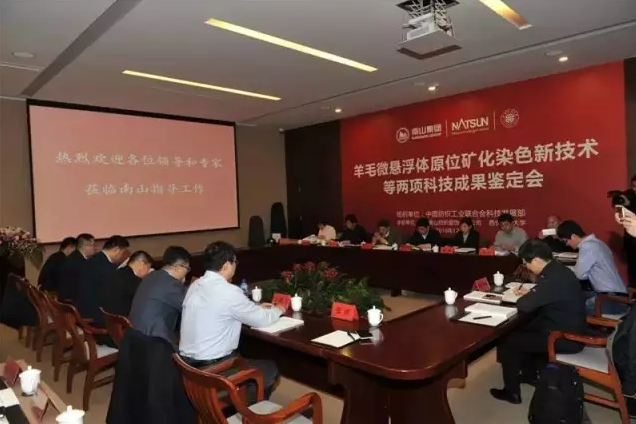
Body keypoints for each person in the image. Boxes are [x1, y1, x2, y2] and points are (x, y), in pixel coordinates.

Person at [179, 241, 284, 404]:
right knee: (269, 369)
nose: (236, 266)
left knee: (247, 360)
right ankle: (249, 411)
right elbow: (262, 319)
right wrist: (279, 309)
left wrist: (253, 307)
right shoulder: (228, 291)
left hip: (189, 365)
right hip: (214, 368)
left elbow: (219, 308)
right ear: (227, 265)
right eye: (235, 262)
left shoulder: (196, 285)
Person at [490, 239, 586, 404]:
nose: (527, 267)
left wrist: (526, 297)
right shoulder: (558, 269)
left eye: (526, 263)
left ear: (536, 260)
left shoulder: (552, 278)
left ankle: (511, 392)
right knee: (523, 329)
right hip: (566, 326)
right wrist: (532, 295)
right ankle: (530, 375)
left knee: (508, 340)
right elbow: (543, 295)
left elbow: (525, 305)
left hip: (565, 337)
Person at [557, 220, 628, 315]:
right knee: (580, 296)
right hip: (620, 297)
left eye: (566, 241)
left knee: (570, 308)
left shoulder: (587, 246)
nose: (567, 244)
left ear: (573, 236)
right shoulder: (599, 243)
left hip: (610, 299)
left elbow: (579, 275)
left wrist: (563, 269)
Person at [129, 246, 192, 347]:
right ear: (178, 267)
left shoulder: (152, 275)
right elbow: (190, 307)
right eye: (187, 269)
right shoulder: (171, 284)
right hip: (153, 341)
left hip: (136, 335)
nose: (187, 273)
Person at [75, 235, 130, 328]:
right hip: (93, 313)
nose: (122, 256)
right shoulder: (105, 267)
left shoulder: (96, 259)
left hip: (84, 306)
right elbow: (111, 294)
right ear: (116, 250)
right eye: (122, 252)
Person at [100, 250, 154, 318]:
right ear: (141, 264)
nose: (147, 272)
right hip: (124, 320)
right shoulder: (133, 280)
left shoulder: (119, 272)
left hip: (109, 319)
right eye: (148, 268)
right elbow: (149, 297)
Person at [57, 233, 95, 302]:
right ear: (85, 246)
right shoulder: (79, 262)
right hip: (72, 301)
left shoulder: (75, 257)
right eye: (92, 245)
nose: (94, 248)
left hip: (67, 298)